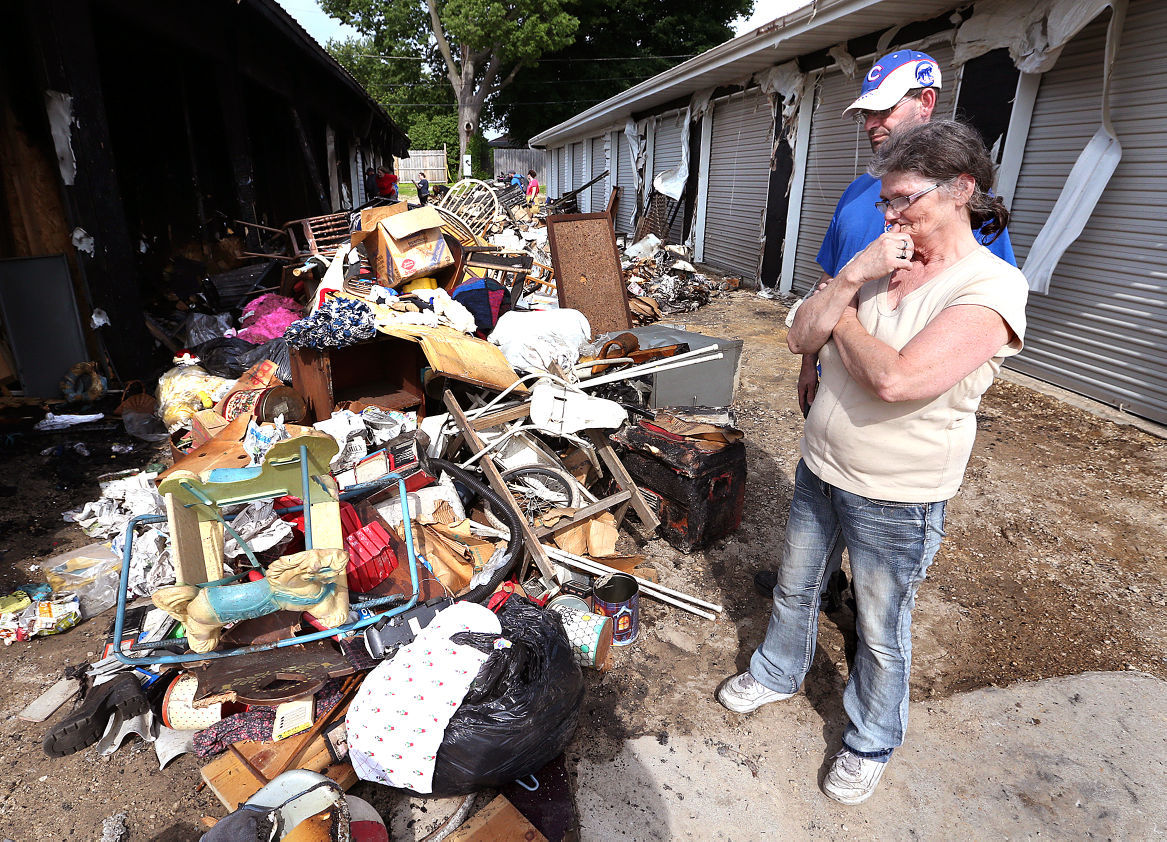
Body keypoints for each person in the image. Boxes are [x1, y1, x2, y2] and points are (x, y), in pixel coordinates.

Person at [717, 119, 1029, 805]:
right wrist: (853, 274)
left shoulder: (991, 286)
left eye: (904, 199)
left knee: (881, 629)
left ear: (961, 190)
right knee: (796, 590)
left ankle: (869, 738)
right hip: (821, 469)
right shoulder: (878, 260)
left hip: (897, 493)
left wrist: (844, 317)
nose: (889, 215)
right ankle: (776, 672)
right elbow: (799, 332)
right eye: (884, 201)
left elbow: (897, 380)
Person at [754, 50, 1017, 599]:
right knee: (811, 547)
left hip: (896, 451)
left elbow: (948, 347)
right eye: (866, 116)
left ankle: (854, 606)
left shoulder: (973, 230)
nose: (872, 125)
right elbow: (829, 283)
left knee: (879, 597)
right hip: (833, 408)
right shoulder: (861, 193)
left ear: (926, 102)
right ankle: (822, 583)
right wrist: (810, 361)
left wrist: (843, 319)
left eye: (883, 112)